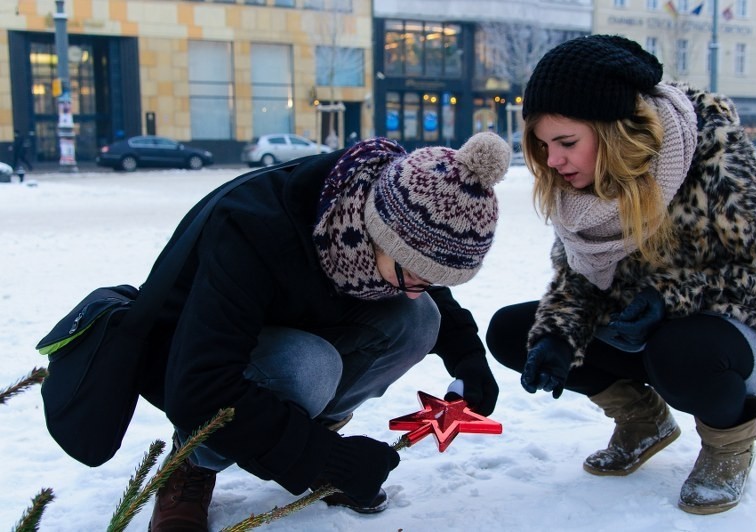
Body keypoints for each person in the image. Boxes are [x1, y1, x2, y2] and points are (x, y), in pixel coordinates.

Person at [486, 34, 756, 515]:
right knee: (516, 331)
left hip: (740, 333)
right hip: (640, 330)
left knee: (679, 350)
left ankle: (728, 444)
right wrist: (556, 338)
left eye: (566, 143)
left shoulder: (713, 154)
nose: (552, 161)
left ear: (614, 131)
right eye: (544, 145)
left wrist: (668, 299)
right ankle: (642, 421)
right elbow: (578, 281)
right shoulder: (581, 191)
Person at [145, 132, 511, 530]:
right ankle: (194, 459)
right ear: (380, 234)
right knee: (309, 366)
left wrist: (468, 357)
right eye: (419, 275)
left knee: (419, 319)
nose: (419, 289)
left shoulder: (388, 205)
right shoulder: (251, 228)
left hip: (294, 331)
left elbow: (424, 283)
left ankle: (310, 434)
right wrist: (329, 457)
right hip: (189, 362)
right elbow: (199, 385)